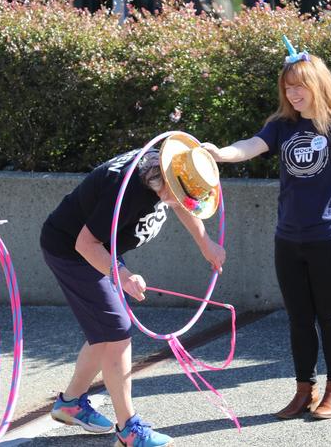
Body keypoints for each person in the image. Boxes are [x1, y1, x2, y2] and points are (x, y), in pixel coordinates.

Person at [202, 37, 331, 420]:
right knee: (298, 318)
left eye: (299, 86)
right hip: (289, 238)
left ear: (317, 86)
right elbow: (252, 145)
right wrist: (221, 154)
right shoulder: (280, 125)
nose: (292, 94)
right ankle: (303, 390)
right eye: (287, 87)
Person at [40, 136, 226, 447]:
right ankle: (128, 429)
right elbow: (86, 244)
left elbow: (182, 202)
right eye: (177, 194)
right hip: (73, 251)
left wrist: (205, 242)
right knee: (116, 333)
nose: (179, 202)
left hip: (102, 250)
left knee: (106, 332)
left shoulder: (168, 171)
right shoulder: (127, 190)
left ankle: (70, 402)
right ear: (166, 178)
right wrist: (123, 275)